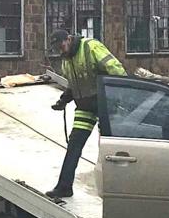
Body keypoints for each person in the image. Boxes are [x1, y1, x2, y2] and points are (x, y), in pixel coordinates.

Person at [46, 29, 127, 199]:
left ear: (68, 39)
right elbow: (73, 85)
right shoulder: (66, 61)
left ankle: (118, 190)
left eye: (61, 45)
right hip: (84, 106)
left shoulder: (90, 47)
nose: (60, 50)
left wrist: (122, 94)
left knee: (109, 148)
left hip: (104, 103)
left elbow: (115, 69)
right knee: (74, 145)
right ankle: (64, 187)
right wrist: (63, 100)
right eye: (56, 48)